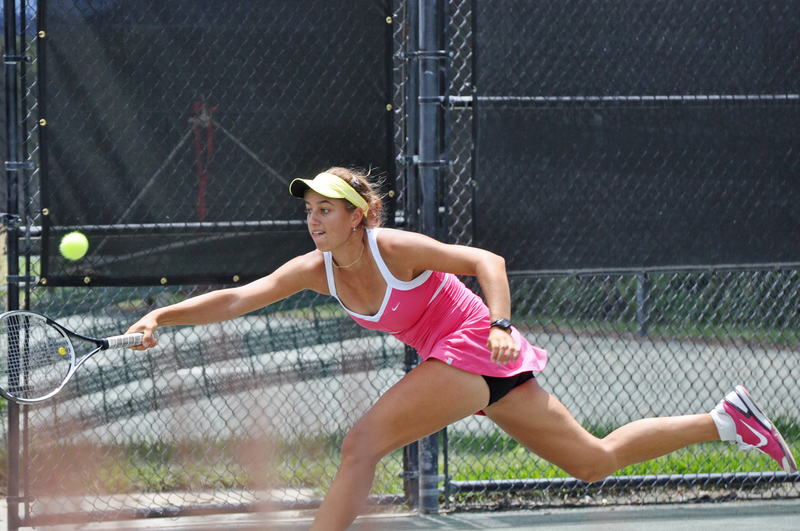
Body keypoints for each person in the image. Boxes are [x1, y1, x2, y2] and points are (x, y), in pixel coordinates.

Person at [127, 167, 798, 530]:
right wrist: (163, 313)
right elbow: (239, 299)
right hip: (469, 364)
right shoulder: (315, 269)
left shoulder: (395, 248)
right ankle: (726, 420)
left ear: (357, 216)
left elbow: (487, 260)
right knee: (593, 462)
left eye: (326, 208)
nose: (313, 219)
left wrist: (501, 323)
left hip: (475, 342)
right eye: (308, 210)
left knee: (361, 444)